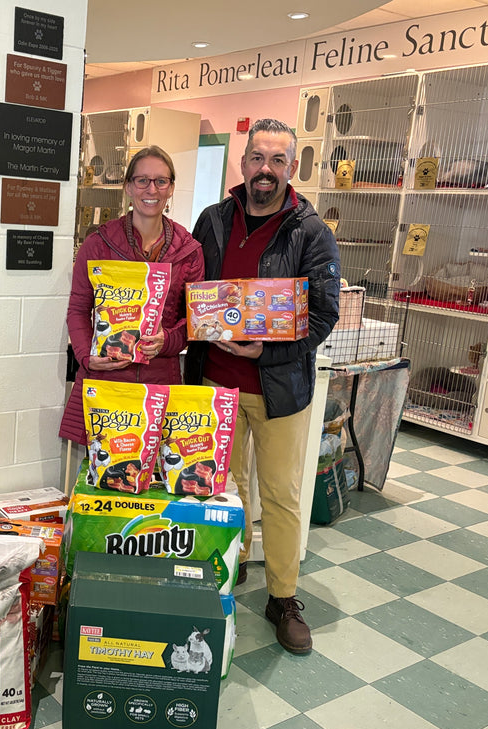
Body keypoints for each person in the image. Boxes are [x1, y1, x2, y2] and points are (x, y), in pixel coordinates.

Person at [184, 118, 341, 655]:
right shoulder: (213, 219)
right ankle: (232, 564)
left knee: (279, 494)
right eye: (257, 158)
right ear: (243, 164)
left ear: (291, 169)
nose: (266, 170)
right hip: (213, 382)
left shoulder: (310, 231)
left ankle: (283, 596)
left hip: (279, 387)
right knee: (221, 487)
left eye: (277, 160)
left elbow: (324, 314)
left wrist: (267, 350)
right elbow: (191, 286)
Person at [59, 145, 204, 446]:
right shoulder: (99, 244)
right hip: (107, 378)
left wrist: (169, 341)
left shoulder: (189, 250)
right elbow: (77, 309)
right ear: (128, 187)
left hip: (160, 379)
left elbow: (194, 320)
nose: (151, 189)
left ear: (171, 188)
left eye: (161, 181)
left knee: (152, 484)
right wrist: (87, 357)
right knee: (101, 477)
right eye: (142, 180)